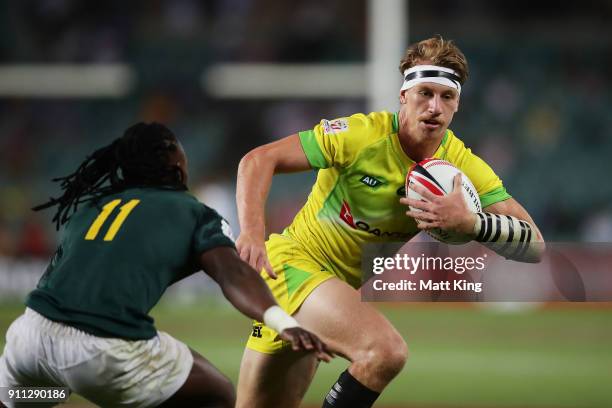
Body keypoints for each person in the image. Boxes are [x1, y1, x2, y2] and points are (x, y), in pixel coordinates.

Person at [234, 36, 545, 408]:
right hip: (291, 267)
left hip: (335, 293)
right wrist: (252, 232)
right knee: (384, 352)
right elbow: (257, 160)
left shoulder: (460, 166)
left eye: (446, 96)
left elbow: (535, 245)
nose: (434, 107)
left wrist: (473, 224)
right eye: (424, 93)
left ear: (458, 103)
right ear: (403, 95)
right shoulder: (360, 135)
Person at [0, 123, 331, 408]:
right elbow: (233, 274)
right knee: (216, 394)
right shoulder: (191, 211)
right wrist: (282, 321)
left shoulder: (92, 206)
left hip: (28, 339)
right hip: (102, 349)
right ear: (175, 162)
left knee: (42, 393)